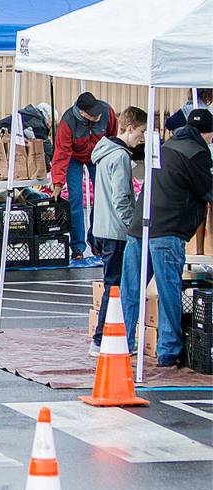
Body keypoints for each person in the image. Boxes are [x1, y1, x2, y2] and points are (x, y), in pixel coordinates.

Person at [120, 108, 213, 367]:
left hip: (139, 227)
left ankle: (122, 342)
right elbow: (208, 190)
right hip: (167, 231)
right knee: (169, 290)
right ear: (207, 134)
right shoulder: (197, 153)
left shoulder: (167, 146)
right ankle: (168, 350)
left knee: (131, 289)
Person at [89, 106, 148, 356]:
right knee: (115, 287)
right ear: (130, 127)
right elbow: (122, 198)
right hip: (117, 231)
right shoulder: (121, 157)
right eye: (142, 132)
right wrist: (133, 226)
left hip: (102, 227)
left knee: (110, 285)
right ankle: (102, 339)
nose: (143, 138)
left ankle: (102, 338)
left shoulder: (103, 153)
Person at [51, 92, 118, 260]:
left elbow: (112, 137)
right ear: (81, 112)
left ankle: (97, 241)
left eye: (98, 112)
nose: (98, 116)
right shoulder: (67, 122)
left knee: (103, 198)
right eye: (93, 114)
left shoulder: (107, 112)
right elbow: (61, 153)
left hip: (98, 155)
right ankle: (77, 247)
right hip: (74, 158)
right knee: (76, 200)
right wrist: (58, 183)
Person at [0, 103, 54, 168]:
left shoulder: (25, 115)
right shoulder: (37, 123)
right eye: (52, 122)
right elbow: (43, 148)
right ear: (47, 116)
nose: (51, 126)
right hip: (7, 149)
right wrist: (48, 168)